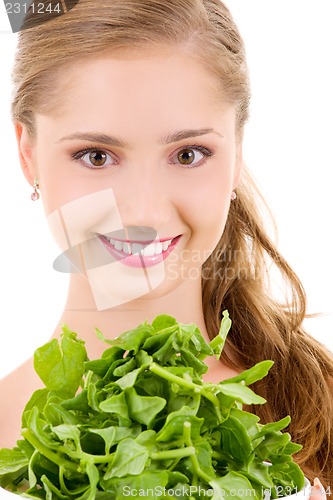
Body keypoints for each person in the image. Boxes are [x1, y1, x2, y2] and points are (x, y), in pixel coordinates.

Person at [0, 0, 332, 492]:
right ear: (29, 155)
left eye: (187, 154)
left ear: (237, 153)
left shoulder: (317, 405)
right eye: (96, 156)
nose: (144, 213)